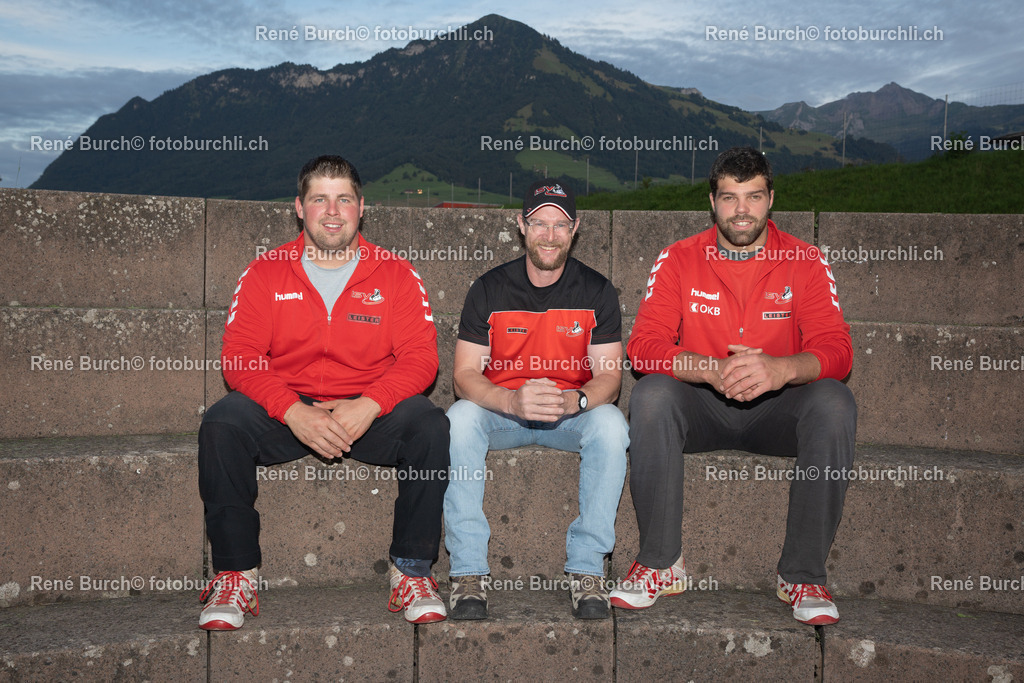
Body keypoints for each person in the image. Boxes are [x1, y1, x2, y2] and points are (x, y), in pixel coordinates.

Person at [197, 155, 450, 629]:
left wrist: (370, 404)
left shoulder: (395, 273)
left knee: (431, 424)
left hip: (366, 410)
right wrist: (292, 410)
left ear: (361, 208)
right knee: (222, 422)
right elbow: (240, 357)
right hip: (288, 408)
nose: (332, 212)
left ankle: (412, 572)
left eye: (344, 200)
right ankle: (235, 575)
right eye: (320, 199)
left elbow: (421, 358)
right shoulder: (265, 271)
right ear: (299, 207)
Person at [609, 147, 856, 625]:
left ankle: (802, 575)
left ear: (771, 199)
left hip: (777, 410)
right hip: (702, 408)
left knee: (834, 401)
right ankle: (660, 564)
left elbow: (837, 349)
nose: (741, 210)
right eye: (729, 197)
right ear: (712, 201)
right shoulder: (679, 258)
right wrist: (708, 368)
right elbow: (642, 347)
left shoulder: (805, 259)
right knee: (651, 394)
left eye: (753, 196)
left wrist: (781, 369)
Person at [443, 179, 629, 620]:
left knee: (611, 425)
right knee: (458, 419)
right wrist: (509, 402)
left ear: (575, 229)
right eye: (539, 223)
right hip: (504, 413)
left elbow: (610, 377)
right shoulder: (488, 289)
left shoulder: (597, 290)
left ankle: (587, 570)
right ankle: (468, 572)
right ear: (522, 226)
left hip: (568, 416)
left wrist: (574, 402)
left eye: (560, 225)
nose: (549, 235)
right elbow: (464, 376)